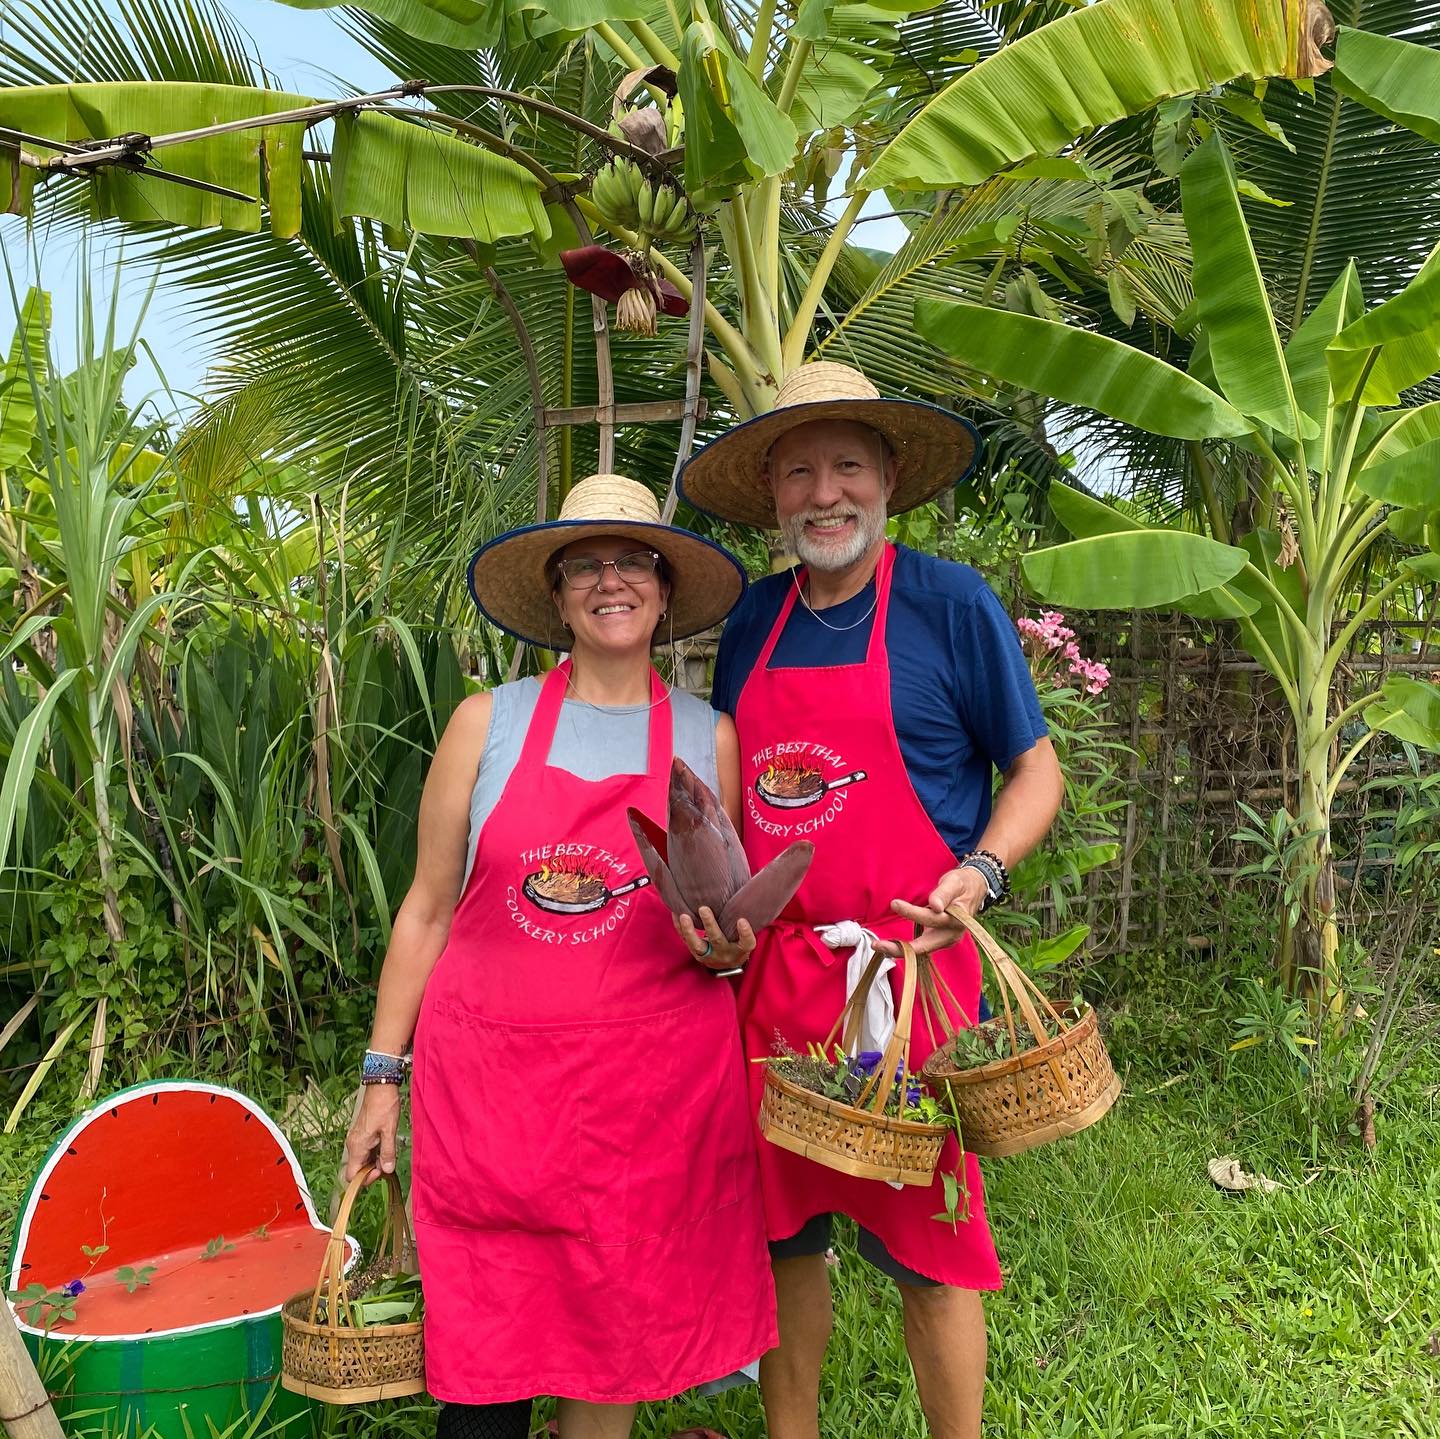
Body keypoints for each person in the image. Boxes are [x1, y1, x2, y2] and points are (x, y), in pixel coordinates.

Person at [342, 474, 777, 1439]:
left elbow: (725, 917)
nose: (610, 579)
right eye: (587, 562)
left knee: (608, 1351)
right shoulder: (482, 723)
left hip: (644, 1110)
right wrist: (381, 1077)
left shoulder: (710, 738)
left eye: (632, 560)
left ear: (664, 591)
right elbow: (424, 911)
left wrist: (727, 952)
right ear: (558, 593)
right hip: (493, 1107)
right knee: (484, 1373)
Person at [676, 363, 1065, 1439]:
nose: (825, 491)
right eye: (799, 470)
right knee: (782, 1238)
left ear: (890, 475)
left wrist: (979, 871)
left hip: (908, 975)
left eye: (847, 463)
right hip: (774, 978)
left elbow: (1036, 770)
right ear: (772, 491)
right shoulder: (754, 621)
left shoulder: (951, 605)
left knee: (929, 1246)